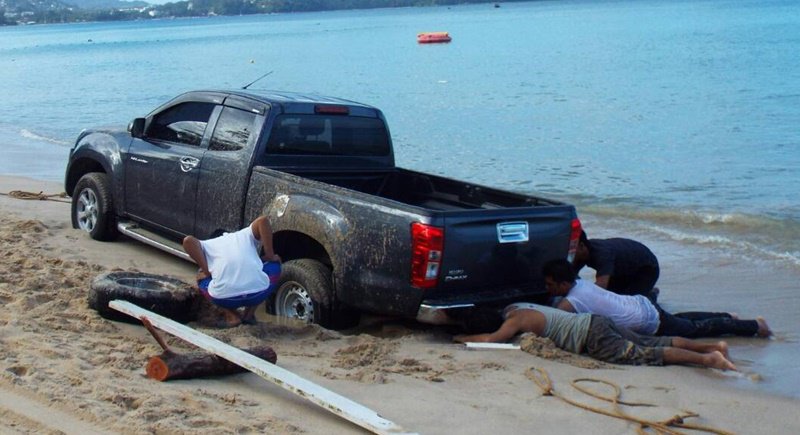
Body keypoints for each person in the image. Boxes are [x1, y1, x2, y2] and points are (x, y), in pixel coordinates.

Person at [453, 303, 737, 371]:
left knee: (648, 355)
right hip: (595, 321)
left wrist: (461, 338)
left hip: (592, 336)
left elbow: (492, 340)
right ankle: (715, 345)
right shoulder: (521, 306)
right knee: (654, 341)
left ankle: (709, 359)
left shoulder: (514, 321)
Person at [543, 259, 771, 339]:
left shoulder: (571, 301)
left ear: (564, 284)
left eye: (550, 284)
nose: (547, 288)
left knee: (694, 330)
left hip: (644, 318)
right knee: (681, 320)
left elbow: (548, 321)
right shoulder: (580, 283)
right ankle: (728, 316)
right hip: (641, 304)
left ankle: (754, 326)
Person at [183, 216, 281, 328]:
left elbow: (187, 241)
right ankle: (248, 315)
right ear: (228, 234)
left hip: (224, 299)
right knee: (273, 265)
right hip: (258, 294)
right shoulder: (242, 235)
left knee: (201, 276)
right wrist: (270, 255)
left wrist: (206, 271)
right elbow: (263, 220)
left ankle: (232, 316)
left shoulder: (207, 244)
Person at [573, 231, 660, 301]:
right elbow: (569, 277)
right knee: (612, 298)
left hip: (647, 268)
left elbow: (600, 287)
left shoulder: (602, 254)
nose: (568, 253)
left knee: (631, 304)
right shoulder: (580, 253)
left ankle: (651, 295)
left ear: (582, 246)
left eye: (571, 249)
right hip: (621, 269)